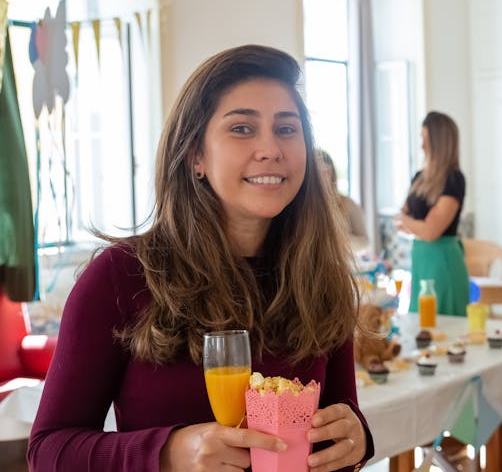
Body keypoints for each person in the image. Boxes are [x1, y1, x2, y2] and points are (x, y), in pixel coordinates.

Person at [27, 45, 373, 472]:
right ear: (196, 156)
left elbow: (342, 416)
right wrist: (167, 453)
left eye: (287, 129)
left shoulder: (322, 278)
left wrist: (356, 438)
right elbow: (48, 452)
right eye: (242, 129)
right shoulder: (120, 277)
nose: (271, 149)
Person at [395, 111, 469, 317]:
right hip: (421, 259)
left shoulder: (454, 180)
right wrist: (416, 224)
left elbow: (430, 231)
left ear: (440, 142)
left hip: (443, 262)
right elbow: (399, 221)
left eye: (426, 140)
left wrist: (410, 222)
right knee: (421, 325)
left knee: (446, 325)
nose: (421, 146)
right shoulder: (418, 177)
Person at [316, 149, 369, 253]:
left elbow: (365, 242)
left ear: (332, 174)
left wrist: (341, 239)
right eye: (317, 173)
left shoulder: (348, 204)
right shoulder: (301, 207)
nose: (321, 177)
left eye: (326, 172)